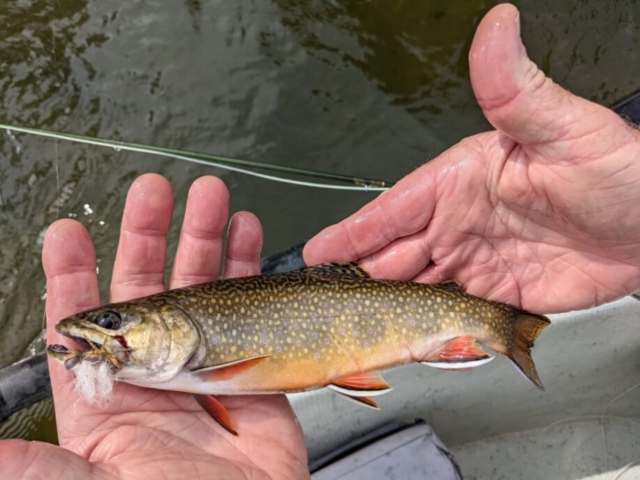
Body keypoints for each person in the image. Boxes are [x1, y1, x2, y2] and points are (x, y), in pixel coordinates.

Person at [1, 3, 638, 479]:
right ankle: (506, 329)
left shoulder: (204, 372)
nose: (103, 333)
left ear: (167, 320)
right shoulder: (192, 374)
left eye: (115, 320)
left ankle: (508, 328)